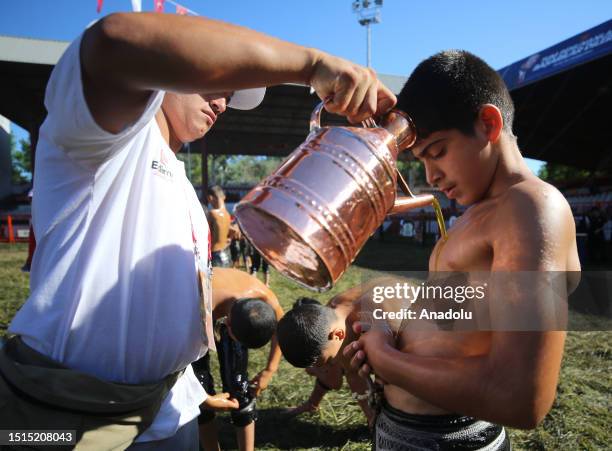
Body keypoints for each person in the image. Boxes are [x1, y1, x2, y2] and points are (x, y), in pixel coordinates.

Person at [0, 11, 396, 449]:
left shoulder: (186, 189)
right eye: (213, 83)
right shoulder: (105, 144)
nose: (223, 103)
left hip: (166, 410)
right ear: (168, 71)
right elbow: (112, 41)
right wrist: (312, 64)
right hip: (72, 413)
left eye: (228, 93)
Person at [343, 50, 581, 450]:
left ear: (488, 123)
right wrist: (386, 327)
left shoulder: (531, 207)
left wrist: (387, 360)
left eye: (437, 152)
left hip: (453, 438)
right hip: (410, 428)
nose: (432, 177)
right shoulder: (478, 214)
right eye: (422, 161)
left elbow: (522, 398)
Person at [278, 283, 407, 429]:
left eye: (329, 361)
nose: (309, 372)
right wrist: (372, 418)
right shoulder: (328, 319)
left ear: (337, 335)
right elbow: (353, 374)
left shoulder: (390, 322)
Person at [194, 268, 283, 451]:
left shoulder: (266, 298)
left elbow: (281, 331)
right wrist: (203, 398)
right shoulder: (197, 303)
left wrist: (269, 370)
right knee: (200, 387)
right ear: (227, 324)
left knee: (238, 385)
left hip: (227, 308)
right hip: (198, 306)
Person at [208, 185, 233, 268]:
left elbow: (205, 235)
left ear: (210, 198)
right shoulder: (228, 215)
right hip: (227, 254)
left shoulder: (212, 214)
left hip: (215, 256)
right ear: (224, 197)